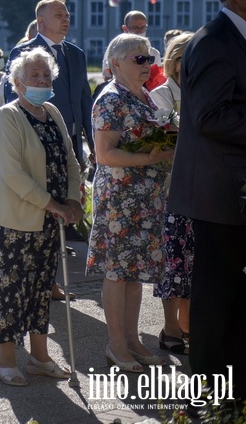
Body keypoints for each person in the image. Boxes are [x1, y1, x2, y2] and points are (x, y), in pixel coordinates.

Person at [168, 0, 246, 401]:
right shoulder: (215, 41)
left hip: (233, 192)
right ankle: (209, 393)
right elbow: (212, 117)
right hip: (219, 193)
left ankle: (234, 387)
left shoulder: (235, 38)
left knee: (236, 295)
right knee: (215, 295)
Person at [0, 47, 83, 386]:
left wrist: (72, 198)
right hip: (16, 220)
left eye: (46, 75)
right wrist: (52, 204)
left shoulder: (53, 112)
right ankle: (6, 360)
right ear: (17, 82)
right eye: (34, 76)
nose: (42, 80)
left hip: (50, 220)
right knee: (12, 290)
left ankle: (40, 357)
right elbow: (13, 174)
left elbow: (71, 159)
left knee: (42, 289)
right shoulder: (7, 116)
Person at [86, 33, 174, 372]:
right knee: (117, 271)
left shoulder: (145, 95)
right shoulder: (110, 99)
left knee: (135, 271)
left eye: (149, 58)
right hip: (120, 199)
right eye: (140, 59)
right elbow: (105, 154)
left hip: (145, 196)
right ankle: (116, 344)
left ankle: (133, 339)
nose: (147, 65)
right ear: (116, 63)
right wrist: (157, 156)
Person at [5, 0, 93, 166]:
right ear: (41, 20)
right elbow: (13, 98)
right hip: (39, 139)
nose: (66, 20)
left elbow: (84, 100)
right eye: (59, 15)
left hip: (73, 141)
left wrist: (92, 142)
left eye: (67, 16)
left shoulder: (76, 54)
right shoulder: (24, 52)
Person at [150, 31, 194, 356]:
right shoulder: (162, 95)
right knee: (173, 262)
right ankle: (170, 329)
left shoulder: (205, 92)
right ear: (177, 63)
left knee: (196, 261)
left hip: (204, 188)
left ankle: (189, 325)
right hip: (172, 190)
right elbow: (170, 136)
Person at [122, 11, 165, 91]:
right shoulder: (116, 52)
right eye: (135, 28)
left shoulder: (153, 54)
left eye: (143, 27)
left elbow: (157, 81)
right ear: (125, 28)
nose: (139, 31)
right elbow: (108, 76)